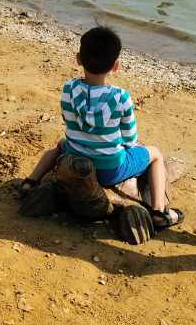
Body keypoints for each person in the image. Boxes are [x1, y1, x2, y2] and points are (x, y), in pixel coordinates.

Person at [20, 26, 183, 231]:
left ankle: (31, 182)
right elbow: (130, 138)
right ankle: (159, 211)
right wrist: (123, 146)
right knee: (156, 155)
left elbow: (67, 119)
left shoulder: (68, 88)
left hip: (74, 153)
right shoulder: (120, 97)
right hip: (110, 170)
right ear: (116, 66)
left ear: (79, 59)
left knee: (60, 144)